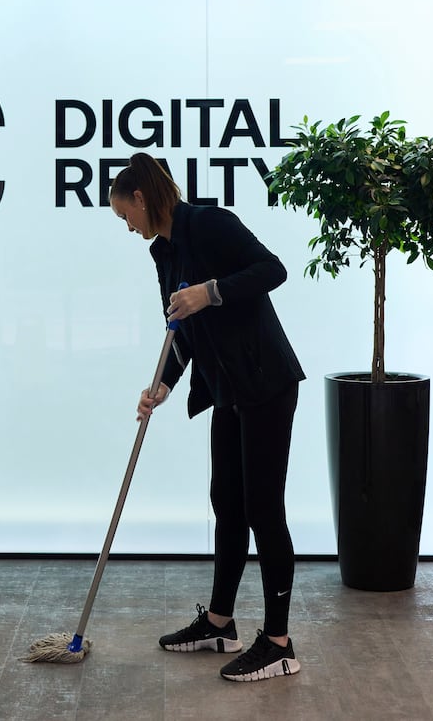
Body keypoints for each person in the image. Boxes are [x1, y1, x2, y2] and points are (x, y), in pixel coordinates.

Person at [109, 151, 306, 683]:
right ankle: (220, 623)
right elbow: (181, 331)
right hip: (227, 392)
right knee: (227, 503)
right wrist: (162, 386)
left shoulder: (210, 224)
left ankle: (280, 642)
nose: (128, 227)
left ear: (142, 199)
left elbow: (273, 269)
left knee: (264, 509)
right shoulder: (163, 254)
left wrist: (210, 292)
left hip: (266, 383)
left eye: (125, 215)